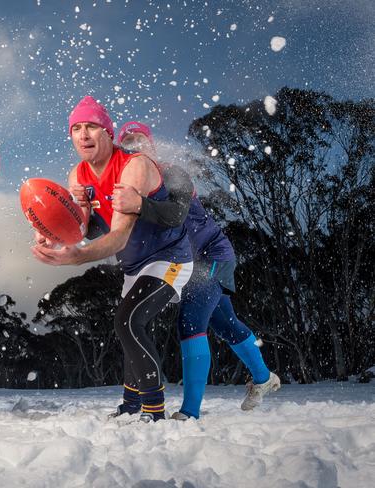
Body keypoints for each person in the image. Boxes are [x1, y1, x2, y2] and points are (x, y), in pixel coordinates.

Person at [32, 96, 193, 422]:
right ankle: (130, 404)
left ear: (108, 133)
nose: (83, 134)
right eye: (76, 128)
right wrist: (53, 231)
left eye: (91, 126)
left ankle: (154, 412)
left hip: (169, 258)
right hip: (133, 265)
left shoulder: (134, 166)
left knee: (128, 321)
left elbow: (118, 235)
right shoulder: (77, 175)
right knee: (128, 328)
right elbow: (85, 230)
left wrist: (77, 259)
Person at [115, 121, 281, 419]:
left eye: (139, 140)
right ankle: (264, 379)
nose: (133, 146)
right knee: (226, 324)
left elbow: (175, 214)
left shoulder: (169, 173)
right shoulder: (130, 187)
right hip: (186, 263)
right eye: (127, 143)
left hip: (211, 256)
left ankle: (189, 412)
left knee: (190, 322)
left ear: (151, 145)